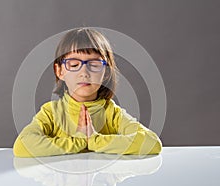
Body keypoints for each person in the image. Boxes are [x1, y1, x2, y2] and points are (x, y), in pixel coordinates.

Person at [13, 28, 162, 157]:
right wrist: (79, 141)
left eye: (94, 64)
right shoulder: (51, 113)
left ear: (106, 72)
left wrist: (94, 140)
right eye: (74, 64)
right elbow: (22, 145)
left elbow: (152, 143)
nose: (84, 72)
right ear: (59, 71)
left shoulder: (112, 113)